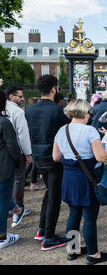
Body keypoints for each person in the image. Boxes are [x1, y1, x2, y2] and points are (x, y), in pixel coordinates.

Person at [52, 99, 107, 264]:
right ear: (83, 112)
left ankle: (72, 250)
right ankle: (94, 254)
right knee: (89, 217)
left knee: (73, 214)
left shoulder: (62, 130)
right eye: (90, 112)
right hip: (87, 178)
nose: (90, 115)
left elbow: (56, 157)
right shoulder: (90, 131)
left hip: (69, 177)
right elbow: (101, 157)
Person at [25, 75, 71, 249]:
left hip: (38, 155)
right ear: (54, 89)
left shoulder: (29, 109)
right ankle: (49, 236)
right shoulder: (58, 110)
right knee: (54, 196)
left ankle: (43, 229)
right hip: (53, 156)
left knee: (50, 193)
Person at [5, 86, 33, 228]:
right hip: (17, 151)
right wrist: (28, 153)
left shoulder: (6, 110)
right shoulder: (16, 111)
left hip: (3, 151)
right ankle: (17, 207)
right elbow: (23, 134)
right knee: (18, 179)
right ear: (10, 96)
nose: (22, 99)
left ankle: (10, 206)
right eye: (20, 96)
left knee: (7, 180)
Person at [0, 91, 22, 249]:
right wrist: (19, 161)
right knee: (2, 199)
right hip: (4, 166)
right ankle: (2, 236)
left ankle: (15, 208)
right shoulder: (4, 122)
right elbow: (12, 146)